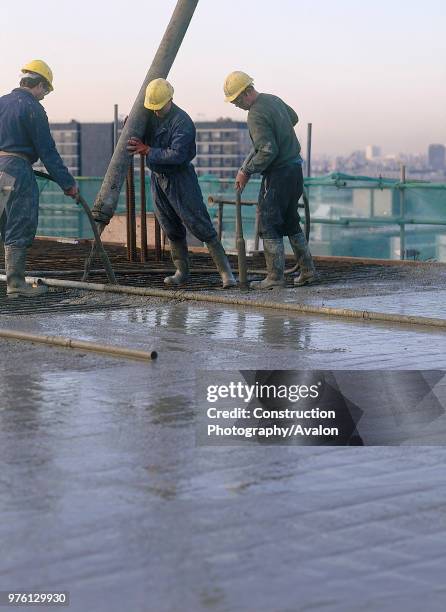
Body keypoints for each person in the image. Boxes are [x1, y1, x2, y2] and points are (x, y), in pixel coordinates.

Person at [127, 78, 236, 289]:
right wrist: (131, 124)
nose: (156, 111)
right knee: (170, 226)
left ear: (170, 100)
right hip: (158, 178)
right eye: (153, 108)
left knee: (200, 224)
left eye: (159, 107)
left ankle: (226, 273)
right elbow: (138, 129)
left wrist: (149, 150)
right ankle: (182, 271)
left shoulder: (182, 122)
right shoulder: (150, 114)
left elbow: (177, 155)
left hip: (180, 178)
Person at [223, 71, 315, 289]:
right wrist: (280, 129)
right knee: (290, 220)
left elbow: (267, 151)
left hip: (279, 174)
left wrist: (246, 171)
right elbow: (293, 118)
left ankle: (275, 278)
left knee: (268, 222)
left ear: (246, 92)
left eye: (237, 100)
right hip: (295, 170)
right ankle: (308, 271)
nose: (236, 105)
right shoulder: (273, 99)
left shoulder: (254, 114)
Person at [0, 60, 78, 298]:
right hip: (16, 169)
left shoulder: (2, 102)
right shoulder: (32, 108)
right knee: (18, 223)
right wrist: (68, 184)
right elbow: (48, 152)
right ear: (40, 84)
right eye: (46, 90)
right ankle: (15, 284)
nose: (44, 96)